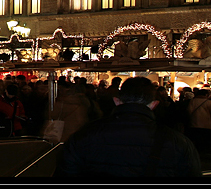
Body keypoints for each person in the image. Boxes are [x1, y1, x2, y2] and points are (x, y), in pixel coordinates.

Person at [56, 76, 202, 177]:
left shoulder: (86, 135)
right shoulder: (176, 141)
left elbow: (66, 172)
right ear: (154, 105)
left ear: (117, 101)